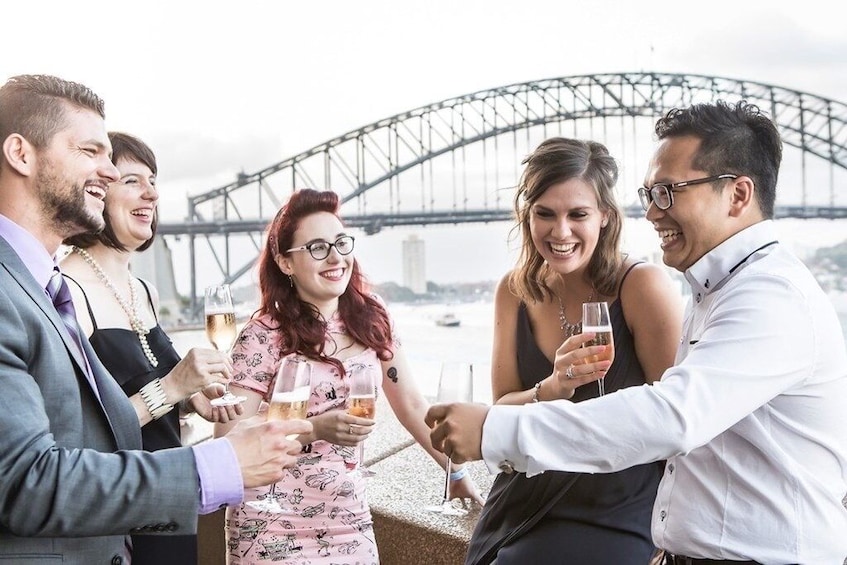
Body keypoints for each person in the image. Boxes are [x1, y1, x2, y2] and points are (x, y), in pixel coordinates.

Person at [427, 100, 847, 564]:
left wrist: (494, 428)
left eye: (668, 191)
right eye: (649, 194)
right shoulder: (719, 289)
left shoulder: (770, 296)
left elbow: (670, 416)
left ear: (738, 195)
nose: (651, 212)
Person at [0, 74, 310, 564]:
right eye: (89, 151)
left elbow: (89, 429)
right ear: (21, 154)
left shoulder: (41, 284)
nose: (106, 170)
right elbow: (24, 483)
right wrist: (216, 464)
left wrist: (186, 403)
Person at [215, 188, 484, 564]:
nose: (335, 257)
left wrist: (456, 475)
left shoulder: (373, 319)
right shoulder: (262, 334)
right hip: (268, 524)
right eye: (317, 248)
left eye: (341, 242)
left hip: (349, 521)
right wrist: (315, 428)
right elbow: (228, 438)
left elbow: (411, 406)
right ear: (285, 262)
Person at [466, 137, 682, 564]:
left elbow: (678, 421)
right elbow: (503, 406)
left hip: (617, 501)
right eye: (544, 214)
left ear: (604, 216)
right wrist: (553, 386)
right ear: (526, 216)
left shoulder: (642, 286)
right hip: (526, 494)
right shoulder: (514, 291)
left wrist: (673, 531)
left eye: (577, 214)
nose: (560, 232)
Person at [60, 131, 241, 565]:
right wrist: (174, 388)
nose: (151, 193)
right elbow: (82, 437)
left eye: (153, 180)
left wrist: (194, 400)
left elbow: (154, 399)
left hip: (168, 504)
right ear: (97, 192)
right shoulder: (66, 291)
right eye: (132, 181)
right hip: (120, 520)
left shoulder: (145, 292)